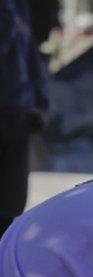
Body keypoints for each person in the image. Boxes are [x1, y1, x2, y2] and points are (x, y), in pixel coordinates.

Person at [0, 0, 49, 236]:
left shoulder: (17, 5)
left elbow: (28, 48)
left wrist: (40, 100)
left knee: (12, 206)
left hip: (18, 112)